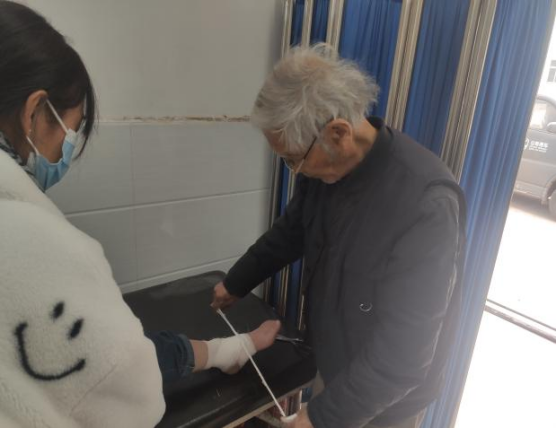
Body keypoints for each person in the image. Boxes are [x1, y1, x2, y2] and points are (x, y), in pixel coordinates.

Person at [0, 1, 280, 427]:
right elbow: (127, 376)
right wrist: (232, 349)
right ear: (35, 113)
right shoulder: (33, 246)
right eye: (72, 129)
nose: (67, 148)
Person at [211, 44, 467, 428]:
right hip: (334, 363)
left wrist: (322, 417)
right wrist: (237, 281)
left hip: (386, 398)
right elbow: (291, 232)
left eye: (293, 158)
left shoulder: (425, 205)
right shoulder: (328, 169)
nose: (295, 170)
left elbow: (404, 355)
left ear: (338, 132)